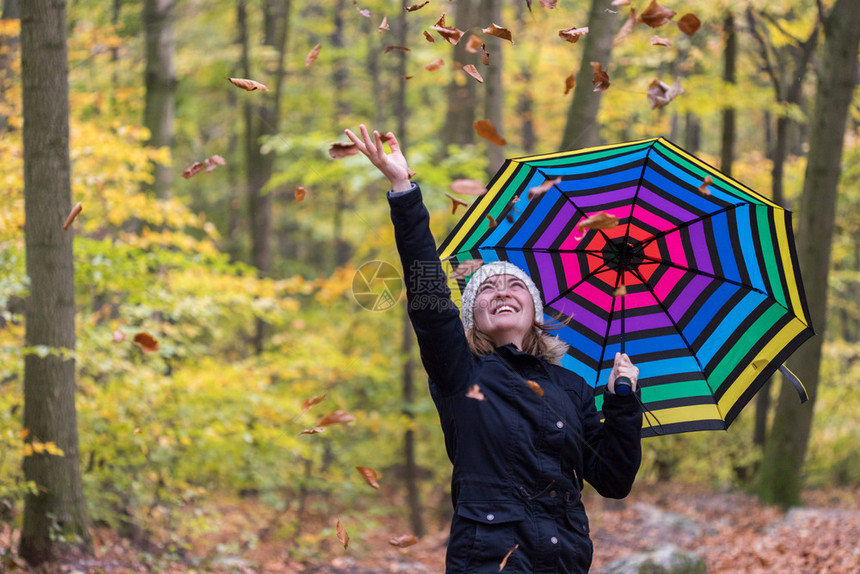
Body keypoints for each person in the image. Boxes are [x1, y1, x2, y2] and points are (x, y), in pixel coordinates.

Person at [345, 125, 643, 573]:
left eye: (514, 285)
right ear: (472, 316)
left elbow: (613, 481)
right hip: (487, 560)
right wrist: (404, 191)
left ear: (536, 312)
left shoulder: (574, 388)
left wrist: (623, 401)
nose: (500, 291)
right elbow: (429, 302)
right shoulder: (460, 372)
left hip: (564, 559)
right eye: (486, 289)